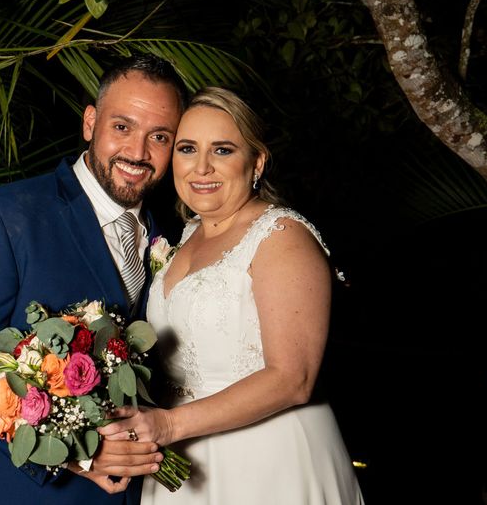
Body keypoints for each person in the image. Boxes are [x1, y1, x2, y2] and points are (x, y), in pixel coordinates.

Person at [0, 54, 188, 504]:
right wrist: (76, 452)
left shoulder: (172, 239)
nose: (138, 152)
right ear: (90, 122)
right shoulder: (5, 216)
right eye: (122, 127)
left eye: (159, 137)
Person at [100, 87, 365, 504]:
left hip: (267, 462)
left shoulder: (281, 236)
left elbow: (293, 378)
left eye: (222, 150)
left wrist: (168, 426)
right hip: (183, 466)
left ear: (256, 162)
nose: (201, 167)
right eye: (188, 149)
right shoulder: (182, 238)